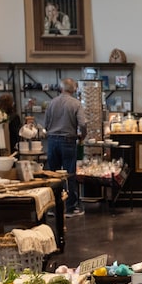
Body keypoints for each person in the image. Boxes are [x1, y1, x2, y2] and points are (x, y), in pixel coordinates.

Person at [43, 77, 86, 216]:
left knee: (53, 175)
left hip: (52, 141)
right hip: (68, 141)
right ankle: (70, 208)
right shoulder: (76, 104)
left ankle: (53, 207)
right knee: (69, 174)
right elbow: (83, 124)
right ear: (74, 89)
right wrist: (82, 136)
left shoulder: (52, 103)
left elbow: (46, 124)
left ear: (61, 88)